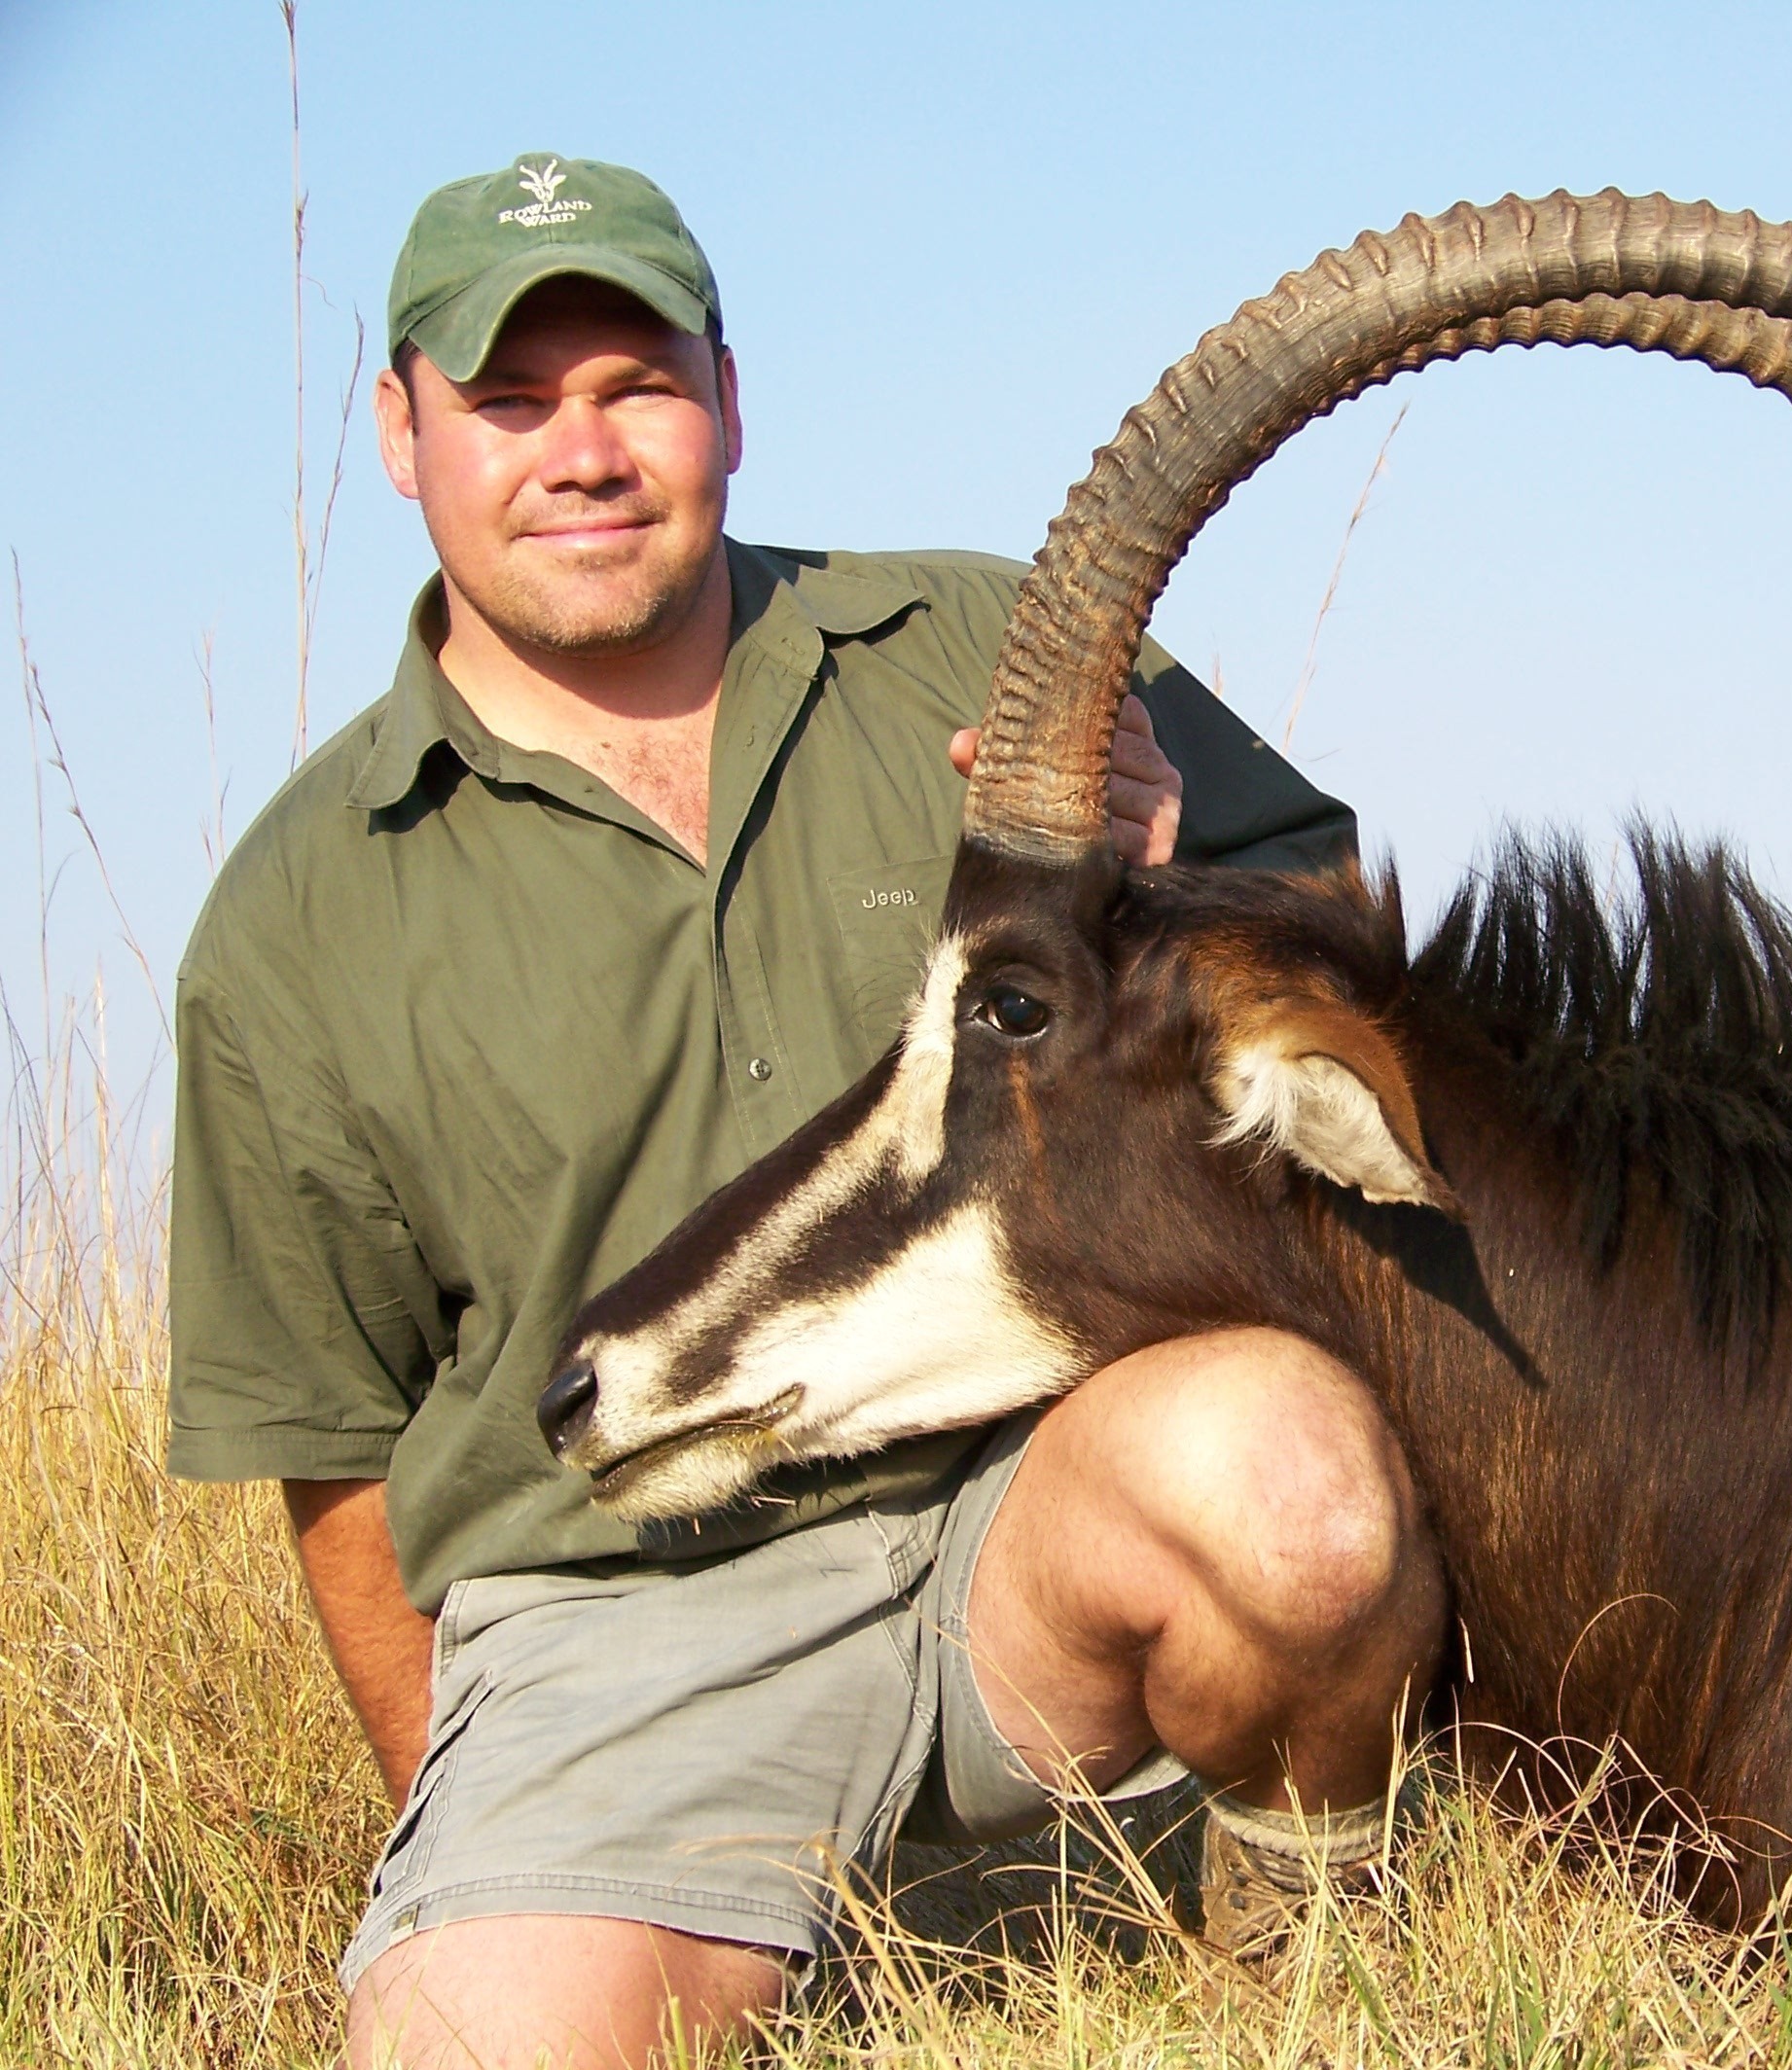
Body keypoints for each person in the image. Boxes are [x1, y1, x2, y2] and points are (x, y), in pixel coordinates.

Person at [166, 153, 1445, 2070]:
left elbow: (1351, 969)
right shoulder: (291, 915)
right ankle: (695, 1899)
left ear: (731, 399)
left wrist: (1171, 872)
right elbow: (339, 1462)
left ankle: (1318, 1969)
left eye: (639, 387)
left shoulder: (997, 647)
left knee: (1301, 1482)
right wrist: (512, 1824)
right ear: (397, 430)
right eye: (511, 402)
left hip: (1051, 1515)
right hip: (629, 1623)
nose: (582, 452)